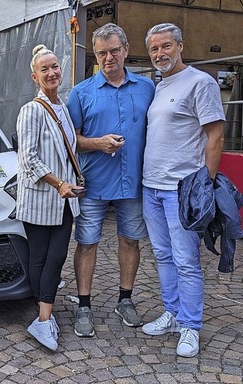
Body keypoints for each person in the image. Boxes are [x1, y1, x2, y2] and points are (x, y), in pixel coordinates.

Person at [141, 23, 225, 358]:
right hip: (152, 187)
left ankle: (191, 324)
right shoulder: (159, 86)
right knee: (162, 255)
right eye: (154, 49)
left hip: (182, 190)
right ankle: (173, 314)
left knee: (186, 260)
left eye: (166, 46)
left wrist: (205, 184)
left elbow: (216, 136)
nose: (160, 54)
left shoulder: (200, 83)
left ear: (180, 46)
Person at [66, 23, 154, 337]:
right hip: (93, 183)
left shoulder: (147, 88)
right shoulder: (81, 93)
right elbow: (70, 140)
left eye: (114, 50)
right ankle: (85, 305)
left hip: (133, 181)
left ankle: (125, 299)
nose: (108, 58)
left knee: (130, 240)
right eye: (102, 53)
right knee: (87, 243)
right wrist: (98, 143)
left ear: (126, 50)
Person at [16, 44, 83, 352]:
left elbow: (69, 149)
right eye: (45, 69)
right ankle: (44, 319)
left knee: (54, 257)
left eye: (55, 66)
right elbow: (28, 159)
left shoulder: (63, 108)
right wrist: (59, 184)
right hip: (45, 197)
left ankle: (44, 312)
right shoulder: (31, 110)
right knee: (43, 257)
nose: (52, 72)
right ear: (35, 76)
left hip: (64, 198)